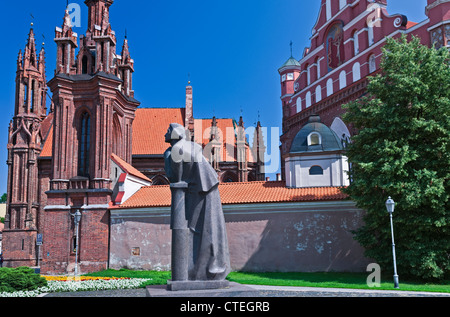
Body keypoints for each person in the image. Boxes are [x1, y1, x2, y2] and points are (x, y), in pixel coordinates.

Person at [164, 123, 231, 282]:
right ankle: (204, 270)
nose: (165, 134)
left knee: (199, 230)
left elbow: (176, 179)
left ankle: (197, 272)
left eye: (168, 131)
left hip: (200, 190)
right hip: (207, 188)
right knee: (209, 229)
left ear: (175, 134)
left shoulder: (175, 150)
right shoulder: (189, 146)